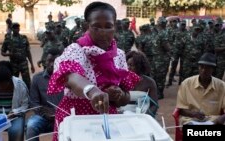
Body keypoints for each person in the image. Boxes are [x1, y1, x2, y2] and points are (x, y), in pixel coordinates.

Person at [47, 2, 140, 141]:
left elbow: (126, 97)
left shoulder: (119, 55)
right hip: (75, 117)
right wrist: (92, 91)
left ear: (115, 27)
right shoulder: (76, 50)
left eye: (108, 26)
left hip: (106, 120)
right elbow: (72, 77)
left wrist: (119, 95)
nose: (103, 32)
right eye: (96, 27)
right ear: (87, 27)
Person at [0, 61, 29, 141]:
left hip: (14, 117)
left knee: (15, 131)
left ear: (10, 80)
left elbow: (26, 105)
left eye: (4, 85)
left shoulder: (20, 85)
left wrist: (15, 112)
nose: (1, 87)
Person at [176, 53, 225, 125]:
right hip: (190, 119)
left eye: (208, 68)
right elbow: (181, 109)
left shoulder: (222, 86)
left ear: (213, 69)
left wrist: (220, 119)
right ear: (198, 67)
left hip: (213, 120)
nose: (204, 70)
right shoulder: (186, 84)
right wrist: (193, 114)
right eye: (201, 67)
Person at [26, 48, 64, 141]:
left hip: (64, 116)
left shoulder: (67, 78)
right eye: (49, 61)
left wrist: (59, 113)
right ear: (45, 62)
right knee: (31, 126)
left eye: (55, 61)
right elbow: (34, 103)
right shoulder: (37, 79)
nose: (52, 64)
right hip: (43, 116)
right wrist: (44, 113)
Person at [1, 23, 35, 89]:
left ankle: (28, 97)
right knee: (14, 83)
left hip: (24, 64)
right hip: (14, 65)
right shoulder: (8, 39)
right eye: (14, 28)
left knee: (27, 82)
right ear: (12, 29)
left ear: (19, 29)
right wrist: (9, 54)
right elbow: (2, 52)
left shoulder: (24, 38)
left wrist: (32, 65)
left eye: (17, 27)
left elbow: (28, 52)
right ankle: (15, 97)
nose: (16, 29)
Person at [125, 51, 158, 117]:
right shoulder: (121, 80)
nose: (128, 67)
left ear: (139, 66)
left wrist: (145, 116)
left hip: (142, 116)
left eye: (131, 65)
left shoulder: (149, 82)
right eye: (127, 65)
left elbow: (154, 105)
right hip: (123, 115)